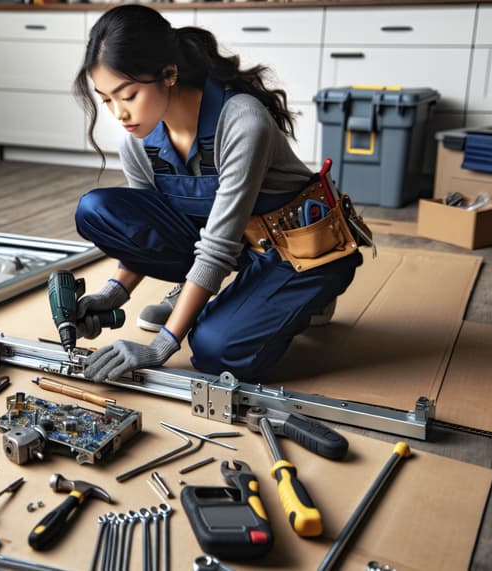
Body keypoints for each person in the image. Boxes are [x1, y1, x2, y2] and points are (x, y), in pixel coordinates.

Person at [71, 5, 365, 383]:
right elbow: (145, 232)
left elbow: (218, 246)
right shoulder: (139, 141)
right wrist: (112, 294)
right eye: (106, 99)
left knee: (215, 349)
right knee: (96, 209)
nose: (119, 114)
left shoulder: (242, 121)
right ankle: (205, 301)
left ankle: (310, 297)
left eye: (127, 95)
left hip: (300, 252)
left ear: (169, 74)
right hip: (235, 246)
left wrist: (162, 345)